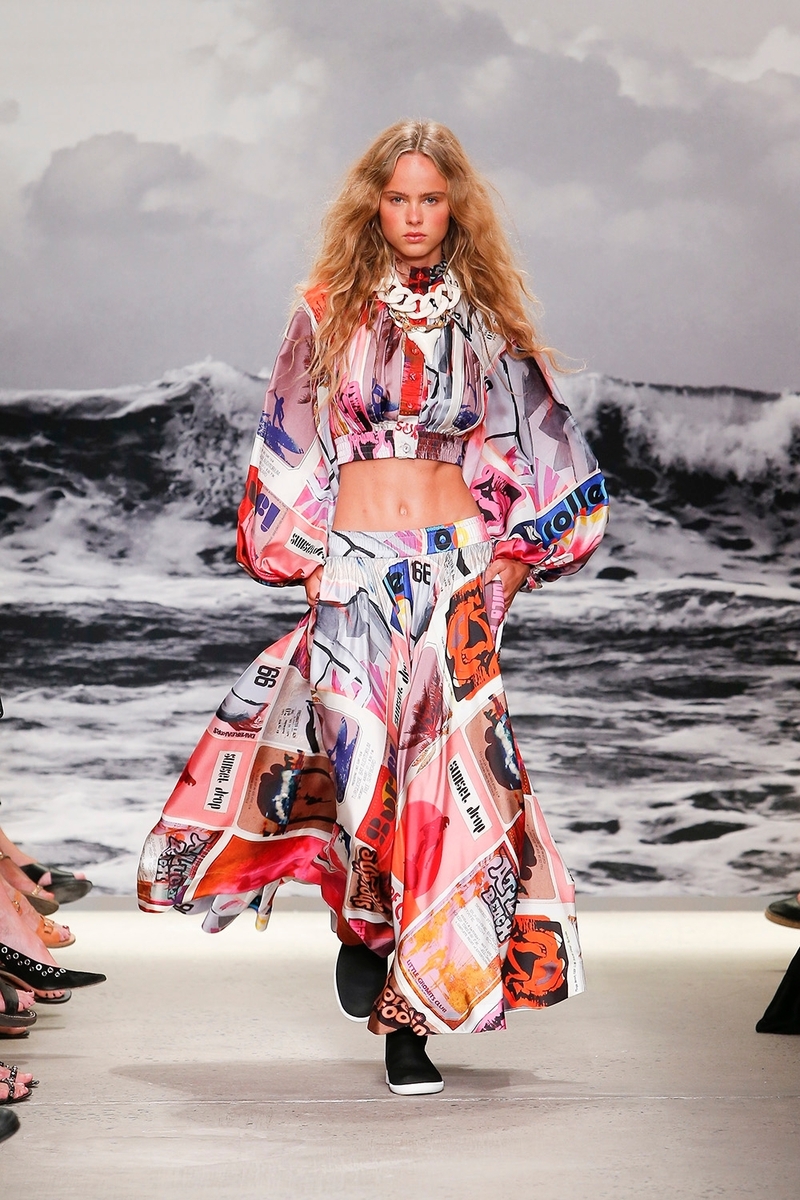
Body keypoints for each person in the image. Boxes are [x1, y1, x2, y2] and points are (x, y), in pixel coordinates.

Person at [139, 119, 608, 1095]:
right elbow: (288, 439)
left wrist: (513, 564)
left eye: (430, 199)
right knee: (363, 786)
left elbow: (542, 446)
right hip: (352, 575)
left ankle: (410, 1018)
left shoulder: (486, 321)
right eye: (398, 199)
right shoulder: (324, 311)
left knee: (442, 799)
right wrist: (307, 562)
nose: (414, 216)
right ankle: (362, 928)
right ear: (373, 206)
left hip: (453, 578)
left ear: (454, 207)